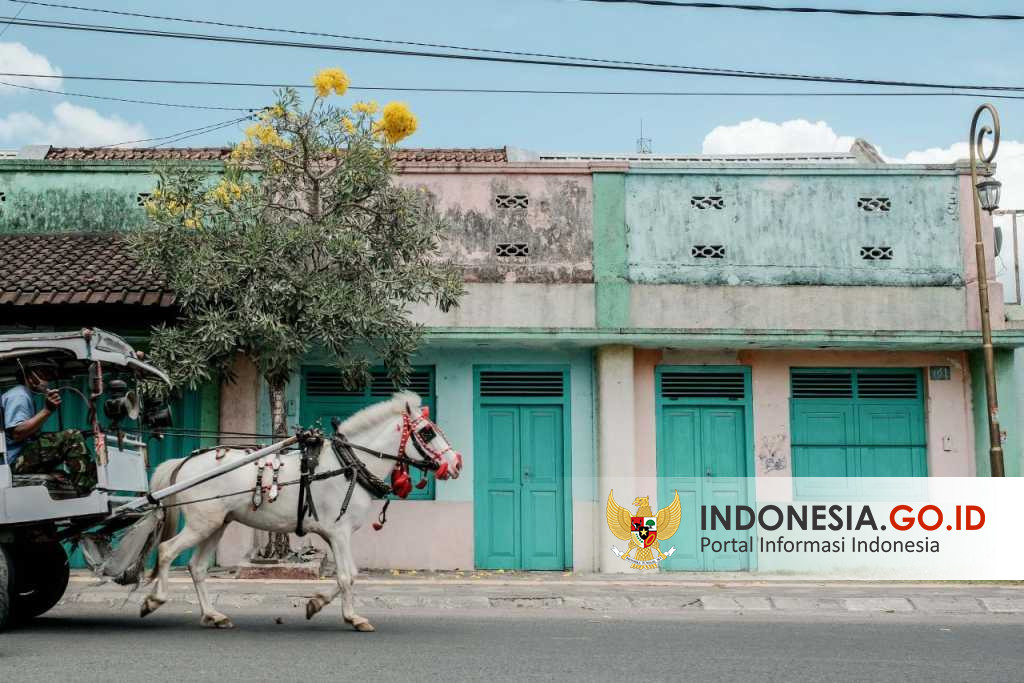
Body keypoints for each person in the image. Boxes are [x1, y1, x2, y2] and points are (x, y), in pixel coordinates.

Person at [1, 359, 96, 491]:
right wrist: (47, 410)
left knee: (73, 440)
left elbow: (32, 440)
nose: (47, 380)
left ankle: (83, 485)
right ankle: (85, 491)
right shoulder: (19, 395)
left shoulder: (25, 395)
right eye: (44, 374)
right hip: (12, 463)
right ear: (30, 376)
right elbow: (17, 433)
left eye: (49, 376)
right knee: (72, 436)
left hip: (19, 459)